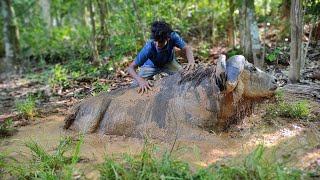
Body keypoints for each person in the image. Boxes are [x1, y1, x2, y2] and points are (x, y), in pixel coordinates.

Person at [127, 20, 196, 94]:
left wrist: (191, 61)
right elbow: (130, 68)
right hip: (151, 66)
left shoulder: (173, 36)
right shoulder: (148, 48)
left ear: (168, 38)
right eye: (155, 41)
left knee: (186, 76)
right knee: (134, 87)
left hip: (168, 62)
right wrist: (141, 81)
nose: (157, 44)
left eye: (161, 42)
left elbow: (186, 48)